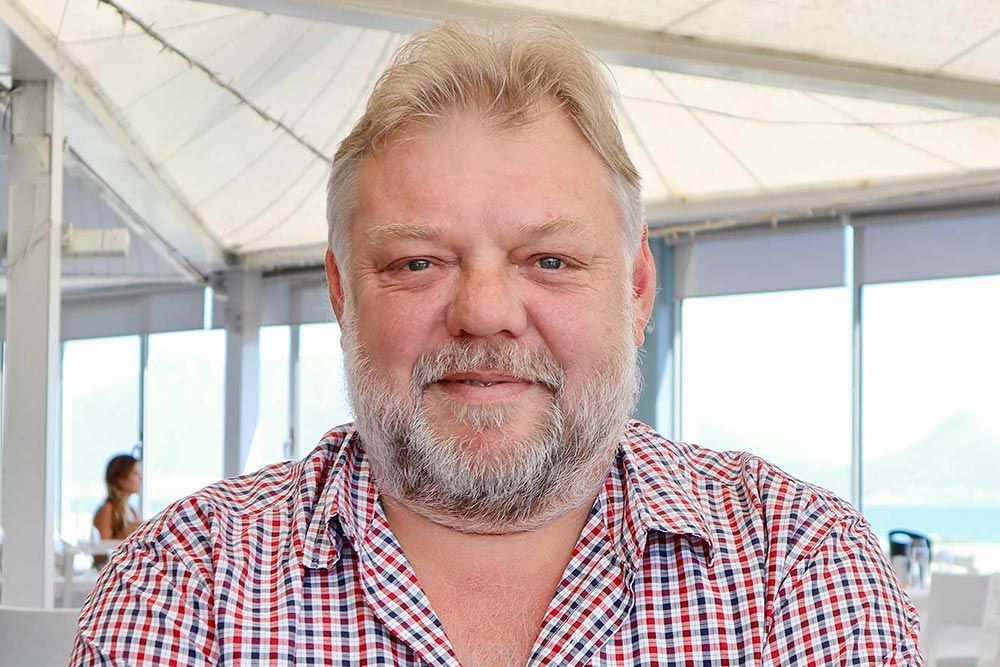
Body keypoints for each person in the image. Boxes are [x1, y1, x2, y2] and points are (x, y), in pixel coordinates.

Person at [71, 19, 922, 666]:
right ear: (341, 293)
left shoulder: (802, 571)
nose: (484, 311)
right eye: (417, 261)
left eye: (548, 259)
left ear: (635, 289)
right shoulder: (189, 589)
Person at [91, 454, 143, 568]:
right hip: (110, 574)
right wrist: (126, 534)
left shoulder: (133, 511)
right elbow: (100, 554)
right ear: (121, 479)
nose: (140, 478)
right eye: (135, 473)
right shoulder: (107, 509)